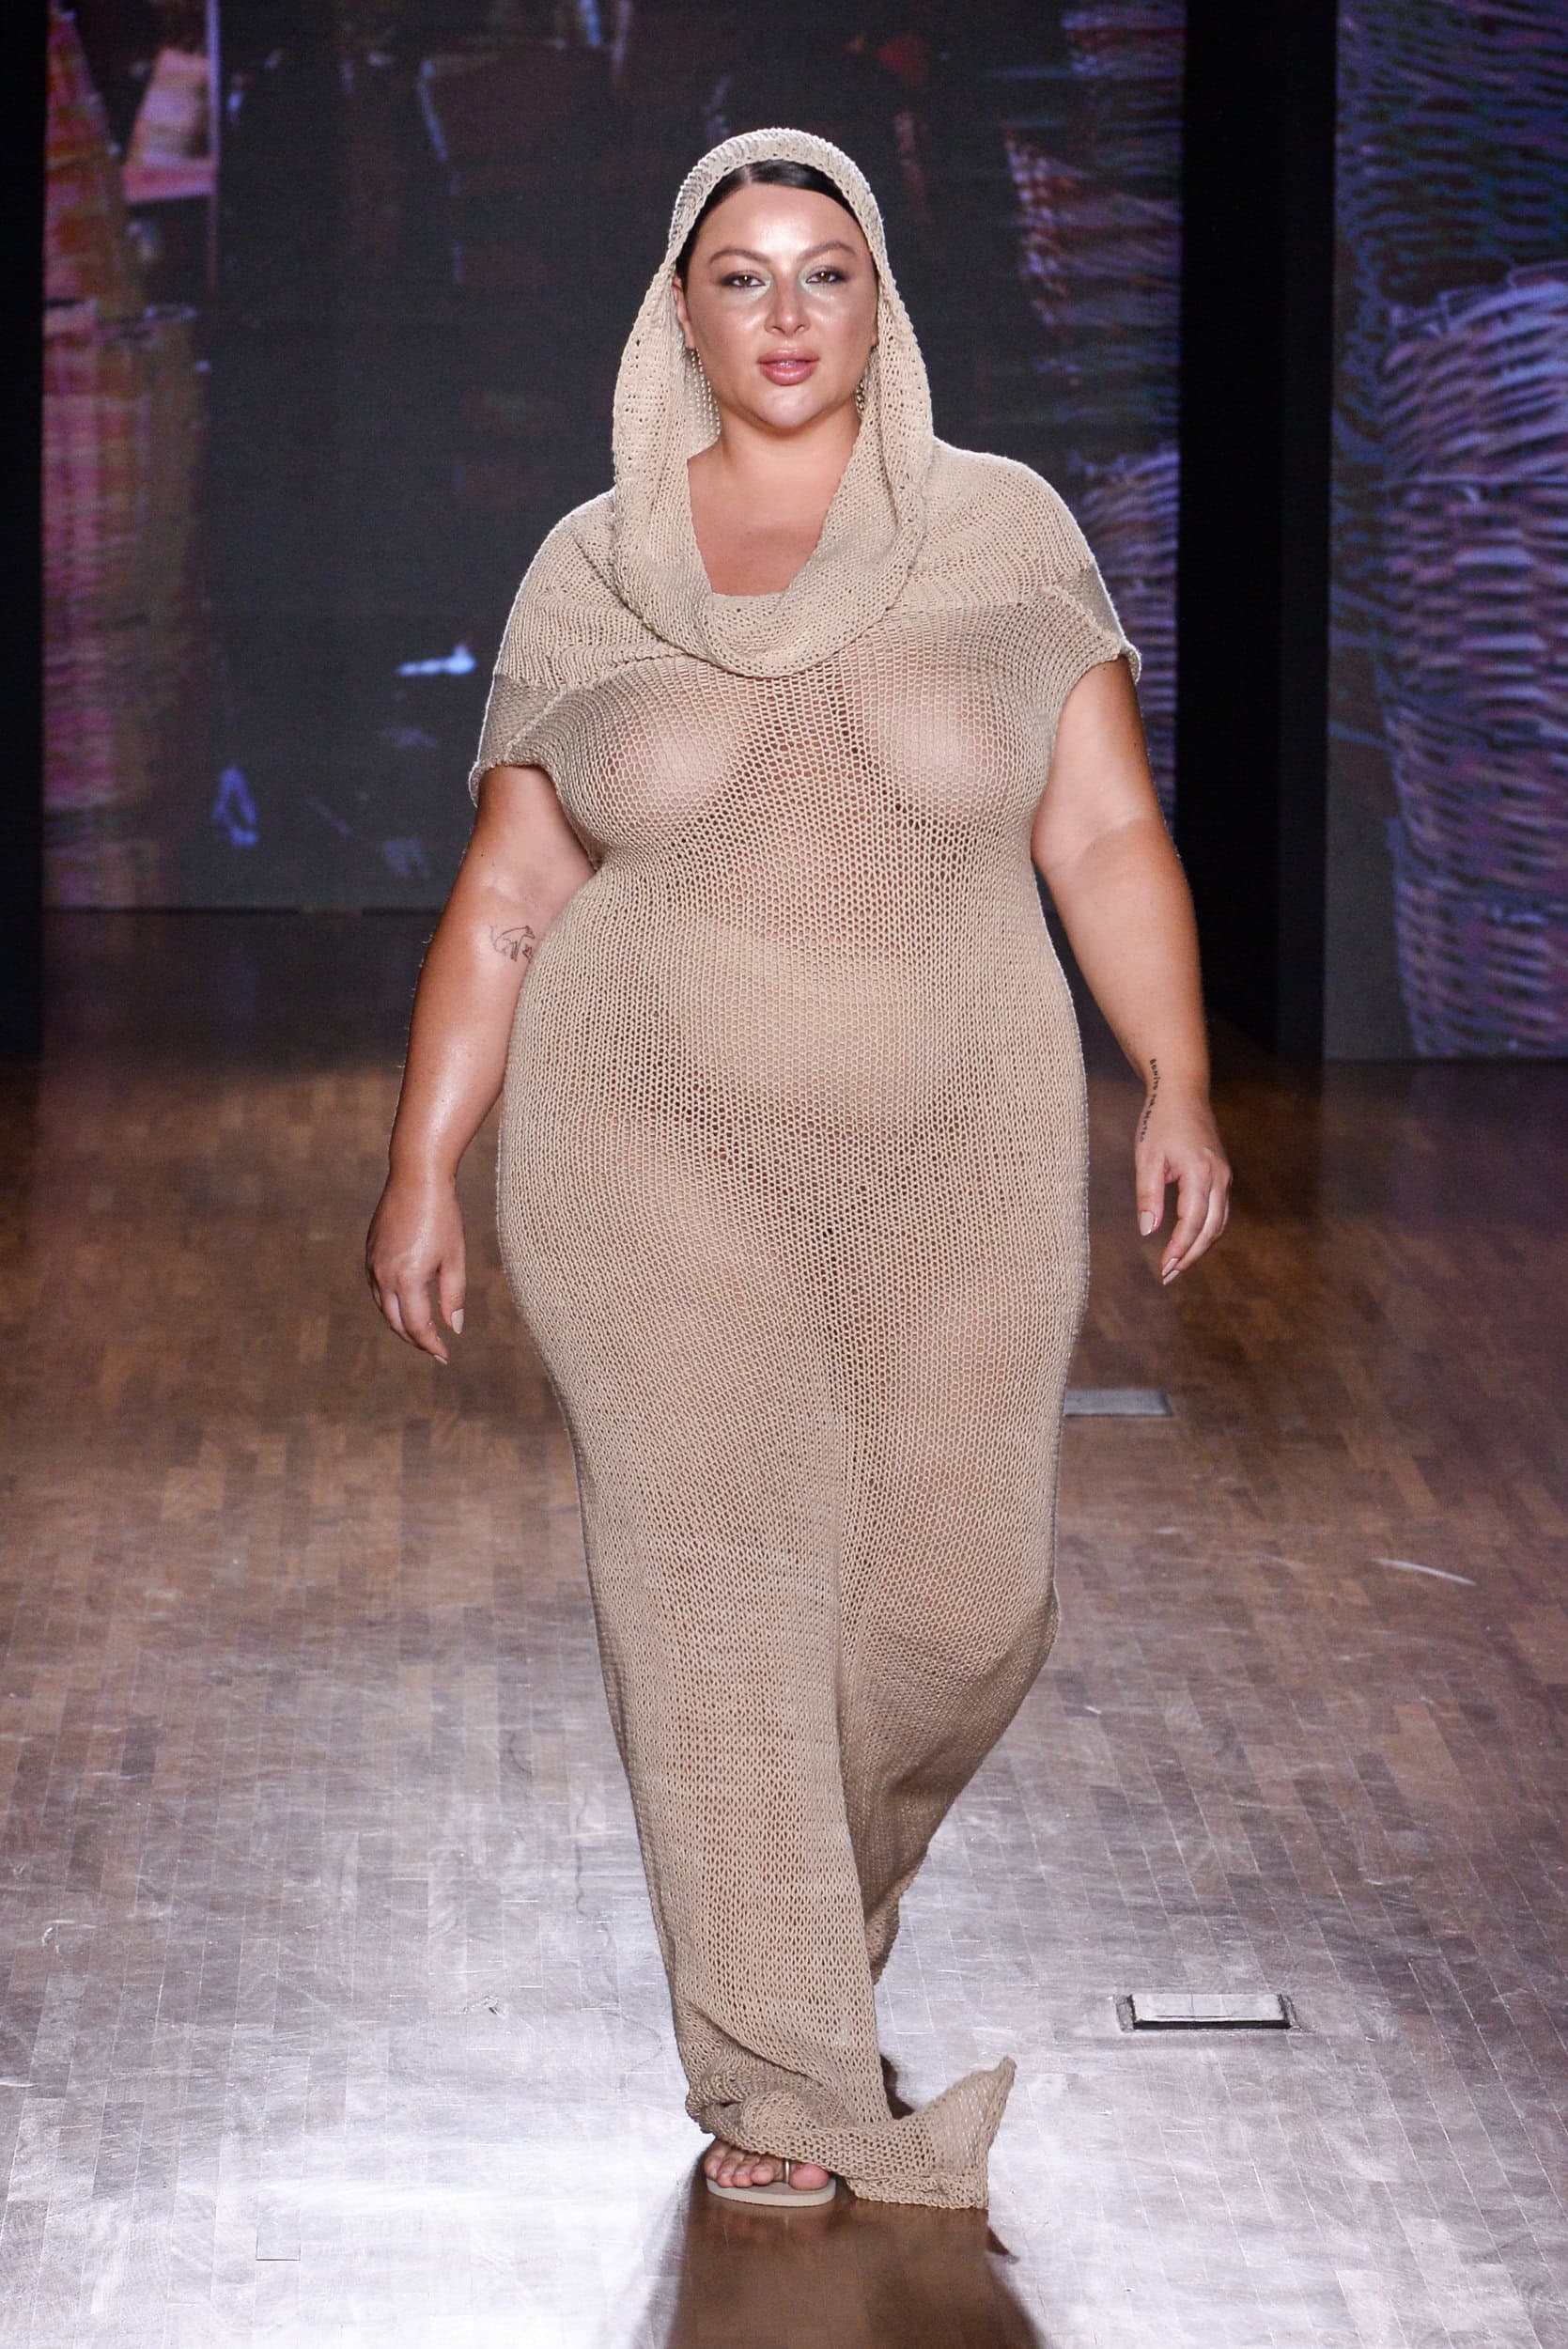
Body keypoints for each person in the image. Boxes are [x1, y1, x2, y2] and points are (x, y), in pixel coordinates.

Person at [365, 127, 1231, 2213]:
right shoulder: (594, 563)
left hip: (962, 1146)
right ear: (678, 311)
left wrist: (1178, 1079)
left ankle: (800, 1933)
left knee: (961, 1609)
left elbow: (1102, 831)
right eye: (739, 274)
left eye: (822, 272)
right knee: (720, 1595)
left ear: (878, 304)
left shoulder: (1002, 534)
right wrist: (421, 1163)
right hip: (646, 1147)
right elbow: (509, 897)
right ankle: (774, 2067)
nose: (782, 313)